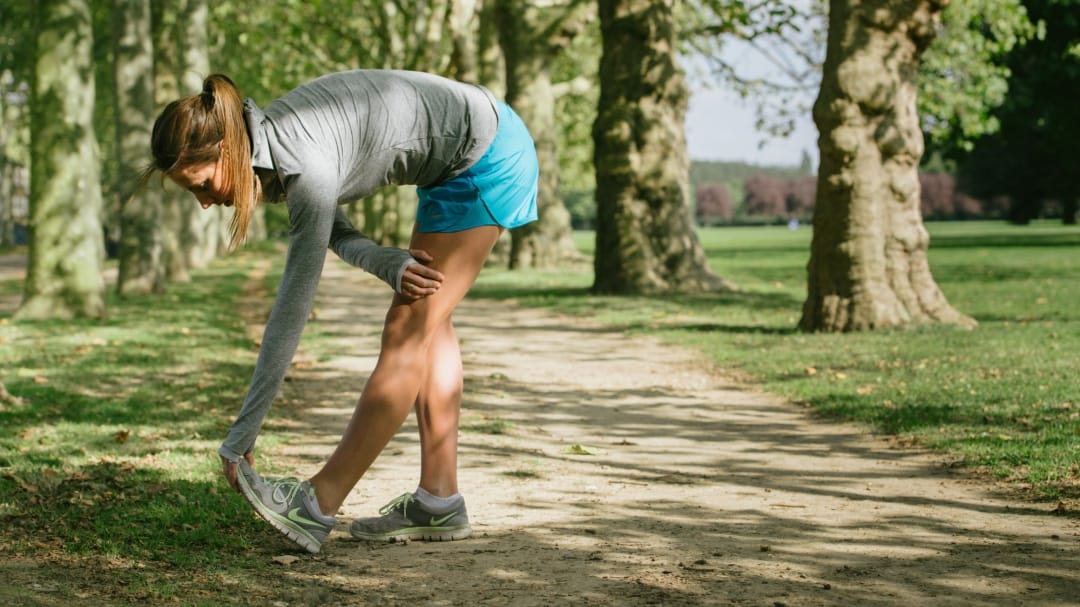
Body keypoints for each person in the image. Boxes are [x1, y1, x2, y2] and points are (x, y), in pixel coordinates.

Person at [146, 70, 538, 553]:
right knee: (428, 326)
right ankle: (439, 501)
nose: (205, 203)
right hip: (461, 157)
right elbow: (338, 228)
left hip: (487, 155)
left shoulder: (300, 160)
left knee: (405, 329)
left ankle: (317, 504)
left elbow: (292, 308)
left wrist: (242, 432)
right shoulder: (272, 143)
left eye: (201, 184)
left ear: (226, 150)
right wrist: (386, 260)